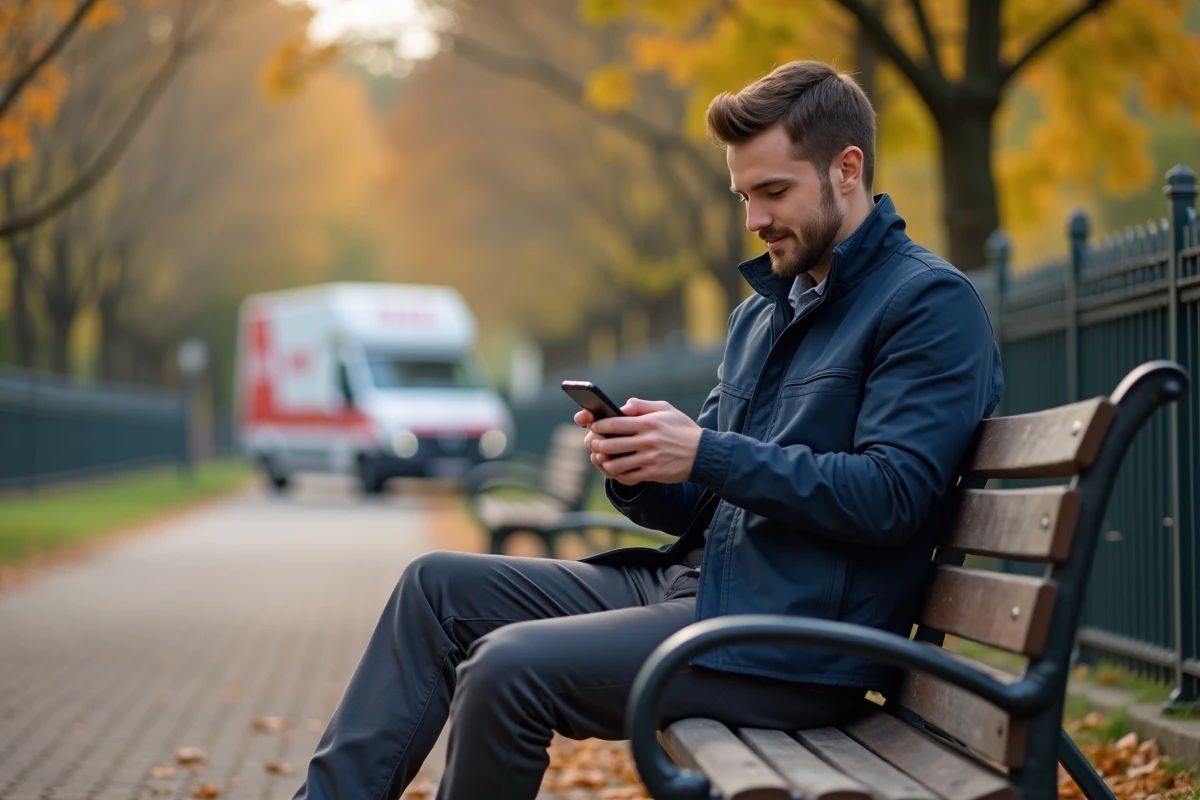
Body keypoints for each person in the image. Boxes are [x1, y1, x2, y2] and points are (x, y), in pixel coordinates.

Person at [292, 59, 1003, 800]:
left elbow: (893, 497)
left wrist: (706, 451)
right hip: (698, 589)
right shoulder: (763, 313)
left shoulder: (926, 305)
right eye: (743, 196)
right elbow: (704, 497)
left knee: (508, 667)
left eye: (773, 192)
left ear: (847, 169)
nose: (755, 220)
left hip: (792, 641)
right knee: (433, 588)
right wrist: (637, 466)